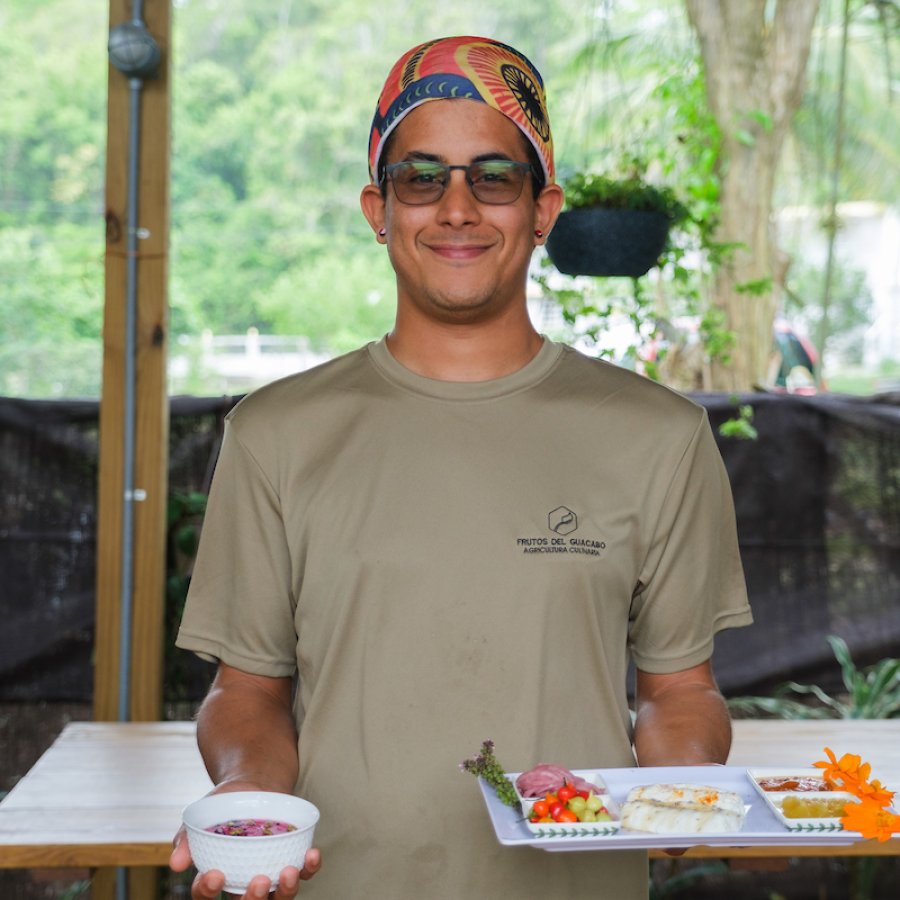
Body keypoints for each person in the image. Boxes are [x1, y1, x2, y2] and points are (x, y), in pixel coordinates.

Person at [169, 35, 753, 900]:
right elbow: (246, 690)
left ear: (543, 206)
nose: (456, 208)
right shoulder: (276, 434)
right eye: (420, 177)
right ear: (379, 207)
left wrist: (689, 793)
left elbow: (679, 695)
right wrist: (245, 790)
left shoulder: (656, 436)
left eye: (493, 175)